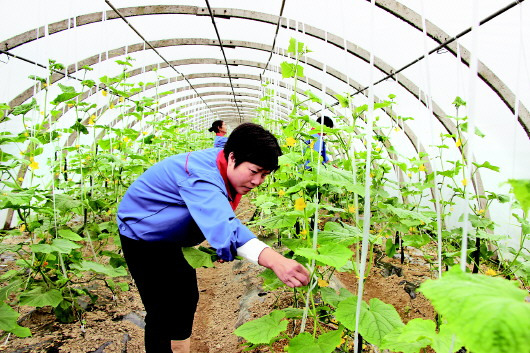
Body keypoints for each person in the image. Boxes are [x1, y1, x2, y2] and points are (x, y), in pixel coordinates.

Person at [117, 123, 310, 353]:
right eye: (254, 171)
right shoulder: (201, 176)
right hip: (142, 234)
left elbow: (221, 143)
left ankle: (179, 348)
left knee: (186, 297)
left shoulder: (225, 154)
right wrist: (276, 260)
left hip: (170, 236)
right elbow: (225, 225)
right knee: (162, 309)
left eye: (264, 175)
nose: (258, 181)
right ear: (232, 158)